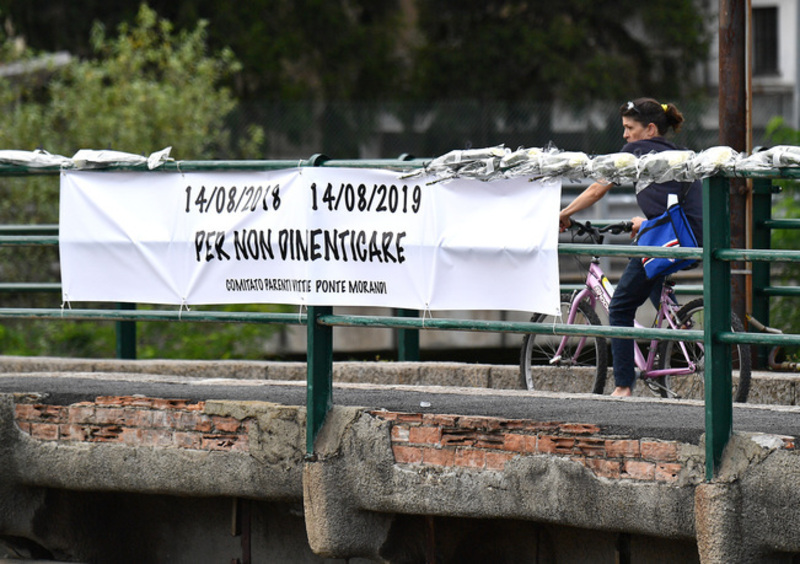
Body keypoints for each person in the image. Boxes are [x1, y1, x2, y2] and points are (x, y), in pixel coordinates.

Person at [558, 97, 703, 397]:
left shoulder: (636, 150)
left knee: (621, 308)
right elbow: (671, 200)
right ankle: (676, 321)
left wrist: (565, 214)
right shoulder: (675, 152)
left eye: (629, 128)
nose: (625, 135)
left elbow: (598, 188)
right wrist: (646, 222)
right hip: (693, 236)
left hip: (672, 240)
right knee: (646, 263)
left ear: (649, 129)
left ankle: (623, 385)